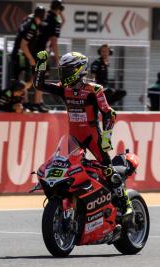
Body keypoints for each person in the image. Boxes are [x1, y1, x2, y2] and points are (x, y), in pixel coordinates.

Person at [34, 50, 132, 228]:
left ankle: (126, 205)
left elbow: (109, 113)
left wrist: (106, 136)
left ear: (79, 70)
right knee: (66, 168)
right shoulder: (65, 89)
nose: (63, 75)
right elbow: (39, 85)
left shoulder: (94, 90)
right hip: (74, 138)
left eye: (67, 71)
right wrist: (41, 64)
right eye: (62, 71)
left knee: (108, 171)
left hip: (92, 137)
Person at [11, 6, 48, 113]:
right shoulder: (32, 27)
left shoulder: (30, 20)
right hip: (21, 55)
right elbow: (23, 45)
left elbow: (29, 17)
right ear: (40, 16)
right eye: (43, 15)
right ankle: (23, 103)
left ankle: (25, 103)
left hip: (21, 55)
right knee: (25, 81)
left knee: (28, 80)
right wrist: (31, 59)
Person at [37, 0, 65, 66]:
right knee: (40, 74)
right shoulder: (55, 21)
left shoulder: (45, 15)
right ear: (59, 8)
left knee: (36, 74)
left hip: (34, 48)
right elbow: (54, 42)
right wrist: (57, 60)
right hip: (42, 51)